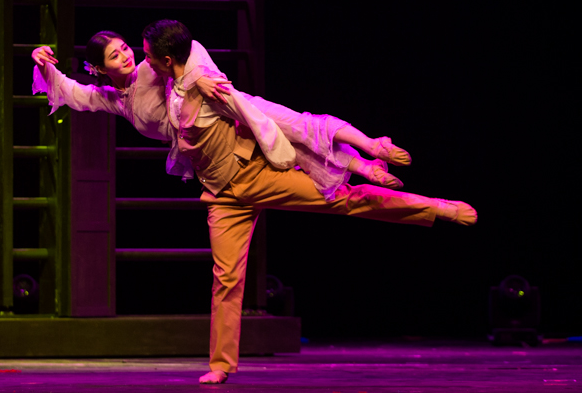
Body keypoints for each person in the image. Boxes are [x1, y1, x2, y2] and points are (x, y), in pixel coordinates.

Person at [138, 19, 477, 385]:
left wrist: (201, 83)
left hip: (257, 174)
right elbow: (139, 83)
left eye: (148, 56)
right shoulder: (174, 81)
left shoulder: (211, 85)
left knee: (343, 198)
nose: (145, 62)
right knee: (226, 279)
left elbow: (261, 115)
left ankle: (433, 206)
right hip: (222, 196)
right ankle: (221, 364)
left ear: (168, 59)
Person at [32, 31, 411, 200]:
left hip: (225, 107)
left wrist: (202, 79)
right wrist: (43, 62)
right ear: (100, 69)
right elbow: (72, 93)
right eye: (115, 56)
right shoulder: (112, 99)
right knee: (293, 151)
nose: (126, 56)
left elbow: (189, 48)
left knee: (296, 124)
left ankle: (371, 148)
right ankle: (365, 170)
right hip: (215, 142)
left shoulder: (150, 66)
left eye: (125, 48)